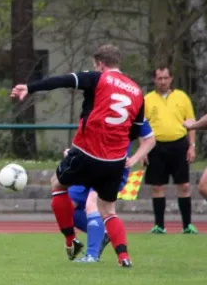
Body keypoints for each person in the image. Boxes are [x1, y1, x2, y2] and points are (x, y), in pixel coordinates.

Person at [11, 44, 155, 268]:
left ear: (99, 63)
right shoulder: (137, 91)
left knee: (57, 185)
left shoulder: (98, 79)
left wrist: (30, 87)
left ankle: (71, 240)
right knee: (108, 210)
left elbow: (62, 80)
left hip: (87, 152)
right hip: (115, 161)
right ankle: (123, 257)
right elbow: (136, 131)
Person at [69, 118, 155, 263]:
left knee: (93, 203)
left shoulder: (130, 107)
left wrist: (135, 158)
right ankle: (103, 233)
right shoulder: (94, 104)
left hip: (113, 167)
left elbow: (150, 138)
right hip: (88, 165)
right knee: (67, 205)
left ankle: (92, 255)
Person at [143, 67, 197, 234]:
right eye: (159, 78)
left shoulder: (182, 97)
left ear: (171, 78)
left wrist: (192, 145)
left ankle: (187, 225)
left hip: (179, 144)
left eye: (166, 78)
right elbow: (141, 126)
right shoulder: (147, 99)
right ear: (154, 80)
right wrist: (143, 150)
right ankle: (159, 226)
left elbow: (191, 122)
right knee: (157, 186)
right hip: (156, 146)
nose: (163, 82)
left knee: (185, 185)